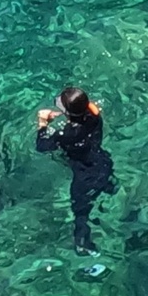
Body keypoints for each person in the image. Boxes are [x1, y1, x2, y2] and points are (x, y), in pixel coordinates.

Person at [37, 87, 117, 255]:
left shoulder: (65, 135)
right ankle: (109, 188)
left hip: (85, 176)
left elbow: (42, 147)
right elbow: (91, 108)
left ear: (66, 112)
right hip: (104, 164)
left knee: (80, 213)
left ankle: (83, 245)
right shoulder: (94, 118)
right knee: (105, 187)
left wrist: (42, 123)